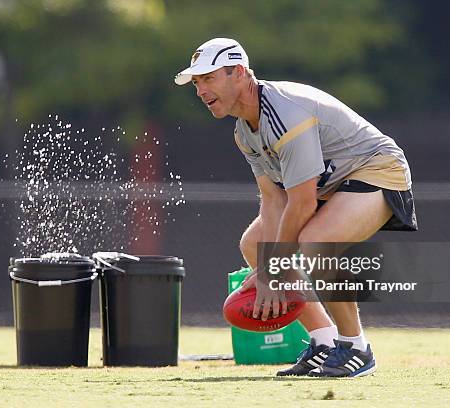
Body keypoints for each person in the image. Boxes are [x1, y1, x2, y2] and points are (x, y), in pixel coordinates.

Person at [174, 38, 417, 378]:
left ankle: (356, 348)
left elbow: (302, 203)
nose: (200, 90)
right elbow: (274, 200)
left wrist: (273, 271)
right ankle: (324, 340)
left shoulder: (286, 113)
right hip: (328, 185)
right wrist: (268, 263)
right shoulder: (244, 132)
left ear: (240, 73)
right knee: (253, 245)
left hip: (377, 169)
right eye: (197, 82)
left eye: (209, 78)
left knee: (316, 242)